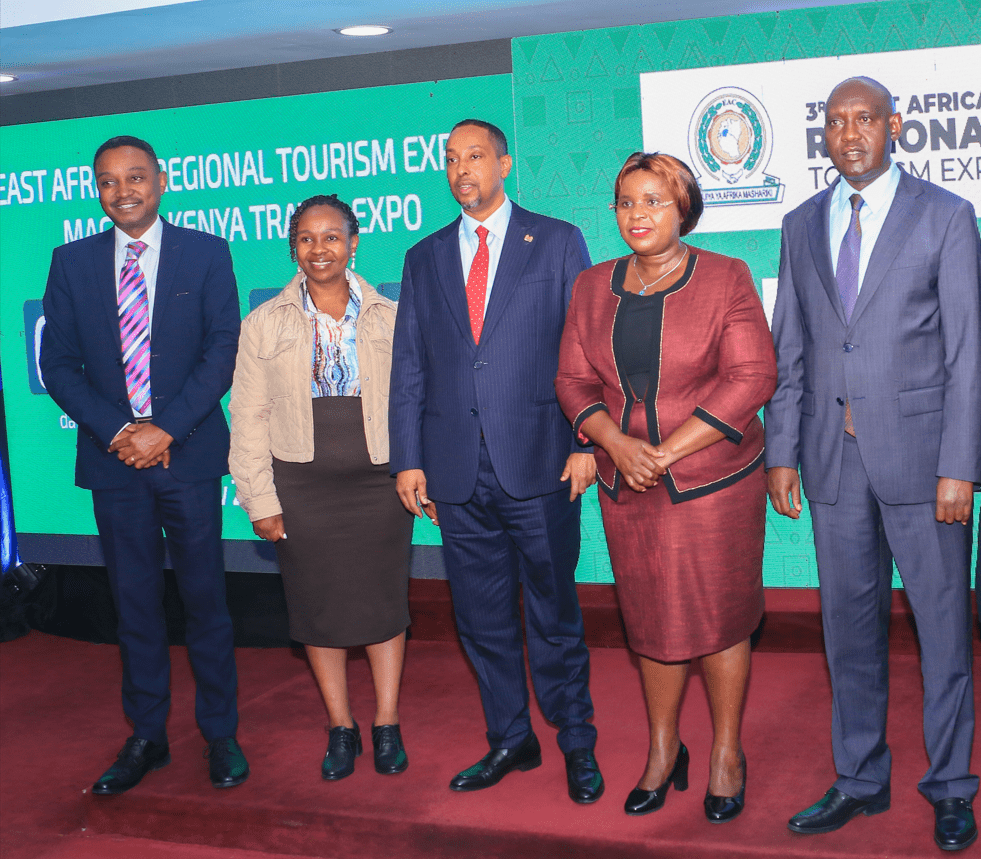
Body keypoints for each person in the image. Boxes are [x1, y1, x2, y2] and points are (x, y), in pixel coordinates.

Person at [766, 77, 979, 852]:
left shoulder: (946, 217)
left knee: (943, 631)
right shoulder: (798, 224)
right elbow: (789, 348)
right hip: (830, 463)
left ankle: (951, 785)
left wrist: (961, 464)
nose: (848, 133)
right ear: (821, 134)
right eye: (834, 121)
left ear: (894, 126)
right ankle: (859, 777)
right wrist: (779, 451)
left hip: (926, 467)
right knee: (846, 632)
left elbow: (967, 352)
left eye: (863, 120)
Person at [555, 152, 777, 823]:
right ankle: (661, 749)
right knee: (648, 620)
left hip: (713, 481)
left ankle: (725, 754)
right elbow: (572, 382)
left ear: (683, 208)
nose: (637, 214)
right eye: (626, 201)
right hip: (629, 484)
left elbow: (751, 376)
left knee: (717, 617)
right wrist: (619, 446)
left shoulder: (725, 277)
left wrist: (666, 452)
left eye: (654, 200)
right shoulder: (592, 286)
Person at [389, 119, 603, 803]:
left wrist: (585, 442)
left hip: (540, 461)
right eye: (449, 159)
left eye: (473, 157)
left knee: (552, 610)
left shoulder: (558, 239)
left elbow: (586, 348)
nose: (460, 170)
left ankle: (575, 739)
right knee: (478, 617)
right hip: (453, 469)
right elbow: (410, 366)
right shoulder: (422, 258)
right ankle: (511, 737)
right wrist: (407, 458)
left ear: (504, 163)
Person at [40, 136, 247, 793]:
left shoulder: (206, 252)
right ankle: (147, 736)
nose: (122, 189)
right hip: (113, 462)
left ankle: (220, 733)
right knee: (134, 604)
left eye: (135, 176)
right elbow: (58, 365)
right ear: (96, 190)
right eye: (108, 180)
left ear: (161, 180)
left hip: (185, 456)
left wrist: (165, 429)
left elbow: (222, 348)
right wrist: (121, 430)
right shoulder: (70, 263)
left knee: (205, 599)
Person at [229, 194, 412, 780]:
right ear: (293, 248)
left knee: (384, 604)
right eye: (306, 239)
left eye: (332, 237)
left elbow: (416, 402)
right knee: (317, 609)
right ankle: (341, 726)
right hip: (301, 486)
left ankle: (386, 723)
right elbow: (249, 416)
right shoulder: (263, 323)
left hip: (379, 484)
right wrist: (259, 499)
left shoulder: (393, 315)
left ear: (354, 243)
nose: (319, 249)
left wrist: (418, 469)